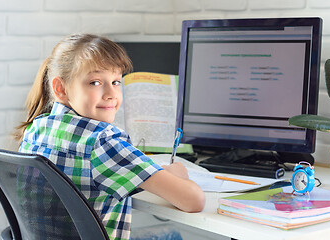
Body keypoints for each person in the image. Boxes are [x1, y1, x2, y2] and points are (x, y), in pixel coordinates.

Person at [16, 33, 205, 240]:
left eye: (116, 81)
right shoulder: (103, 141)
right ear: (61, 89)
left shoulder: (36, 128)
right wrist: (177, 174)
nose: (111, 93)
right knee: (173, 236)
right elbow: (194, 201)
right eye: (95, 82)